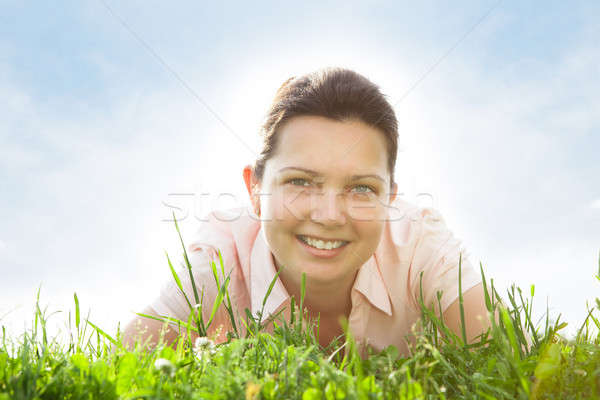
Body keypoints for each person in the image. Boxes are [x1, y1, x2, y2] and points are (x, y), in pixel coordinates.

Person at [121, 67, 491, 356]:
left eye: (361, 188)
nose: (330, 215)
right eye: (300, 182)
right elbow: (113, 371)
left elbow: (517, 364)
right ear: (256, 189)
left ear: (391, 200)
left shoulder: (421, 249)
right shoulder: (220, 264)